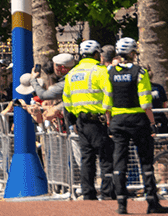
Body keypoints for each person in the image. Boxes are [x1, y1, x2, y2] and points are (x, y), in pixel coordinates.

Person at [108, 38, 165, 215]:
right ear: (133, 53)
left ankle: (122, 205)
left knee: (119, 163)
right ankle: (152, 203)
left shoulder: (109, 72)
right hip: (138, 121)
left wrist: (110, 122)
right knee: (146, 162)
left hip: (117, 121)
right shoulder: (140, 72)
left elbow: (107, 101)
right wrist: (152, 124)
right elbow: (146, 103)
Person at [64, 40, 112, 201]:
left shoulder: (71, 74)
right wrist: (108, 116)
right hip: (98, 121)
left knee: (87, 159)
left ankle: (88, 194)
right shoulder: (100, 70)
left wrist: (73, 121)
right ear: (97, 54)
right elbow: (109, 95)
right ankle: (107, 193)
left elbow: (67, 101)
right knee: (105, 158)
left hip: (81, 122)